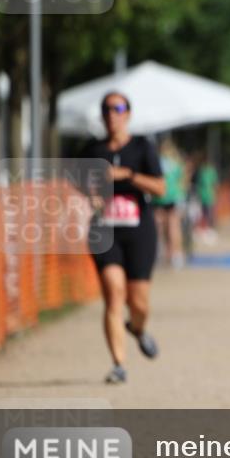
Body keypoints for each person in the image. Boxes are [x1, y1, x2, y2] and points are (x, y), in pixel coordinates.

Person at [79, 92, 165, 384]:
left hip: (139, 230)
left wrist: (127, 175)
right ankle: (118, 364)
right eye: (106, 108)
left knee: (138, 302)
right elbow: (77, 183)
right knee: (113, 294)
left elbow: (160, 188)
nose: (112, 114)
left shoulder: (142, 147)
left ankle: (138, 328)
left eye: (118, 108)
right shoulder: (92, 150)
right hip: (104, 230)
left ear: (128, 113)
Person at [152, 137, 186, 269]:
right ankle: (176, 254)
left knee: (158, 228)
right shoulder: (176, 163)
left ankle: (159, 253)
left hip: (158, 198)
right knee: (173, 226)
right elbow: (181, 181)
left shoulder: (157, 162)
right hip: (173, 198)